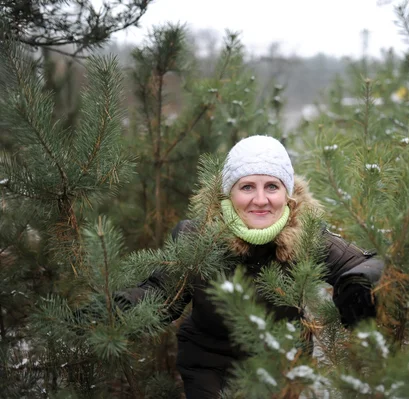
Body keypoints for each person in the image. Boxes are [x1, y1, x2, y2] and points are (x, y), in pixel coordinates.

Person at [117, 135, 384, 398]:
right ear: (229, 192)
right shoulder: (198, 237)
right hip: (210, 369)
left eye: (271, 186)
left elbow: (367, 263)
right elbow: (162, 295)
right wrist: (114, 309)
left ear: (287, 193)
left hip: (282, 366)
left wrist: (359, 282)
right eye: (247, 187)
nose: (260, 200)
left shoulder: (306, 232)